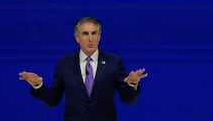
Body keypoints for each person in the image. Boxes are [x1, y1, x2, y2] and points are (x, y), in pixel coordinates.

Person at [19, 17, 148, 121]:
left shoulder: (114, 62)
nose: (90, 38)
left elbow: (128, 99)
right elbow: (52, 99)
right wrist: (38, 85)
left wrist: (132, 83)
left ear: (99, 37)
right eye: (85, 34)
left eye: (94, 33)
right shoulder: (65, 64)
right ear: (77, 38)